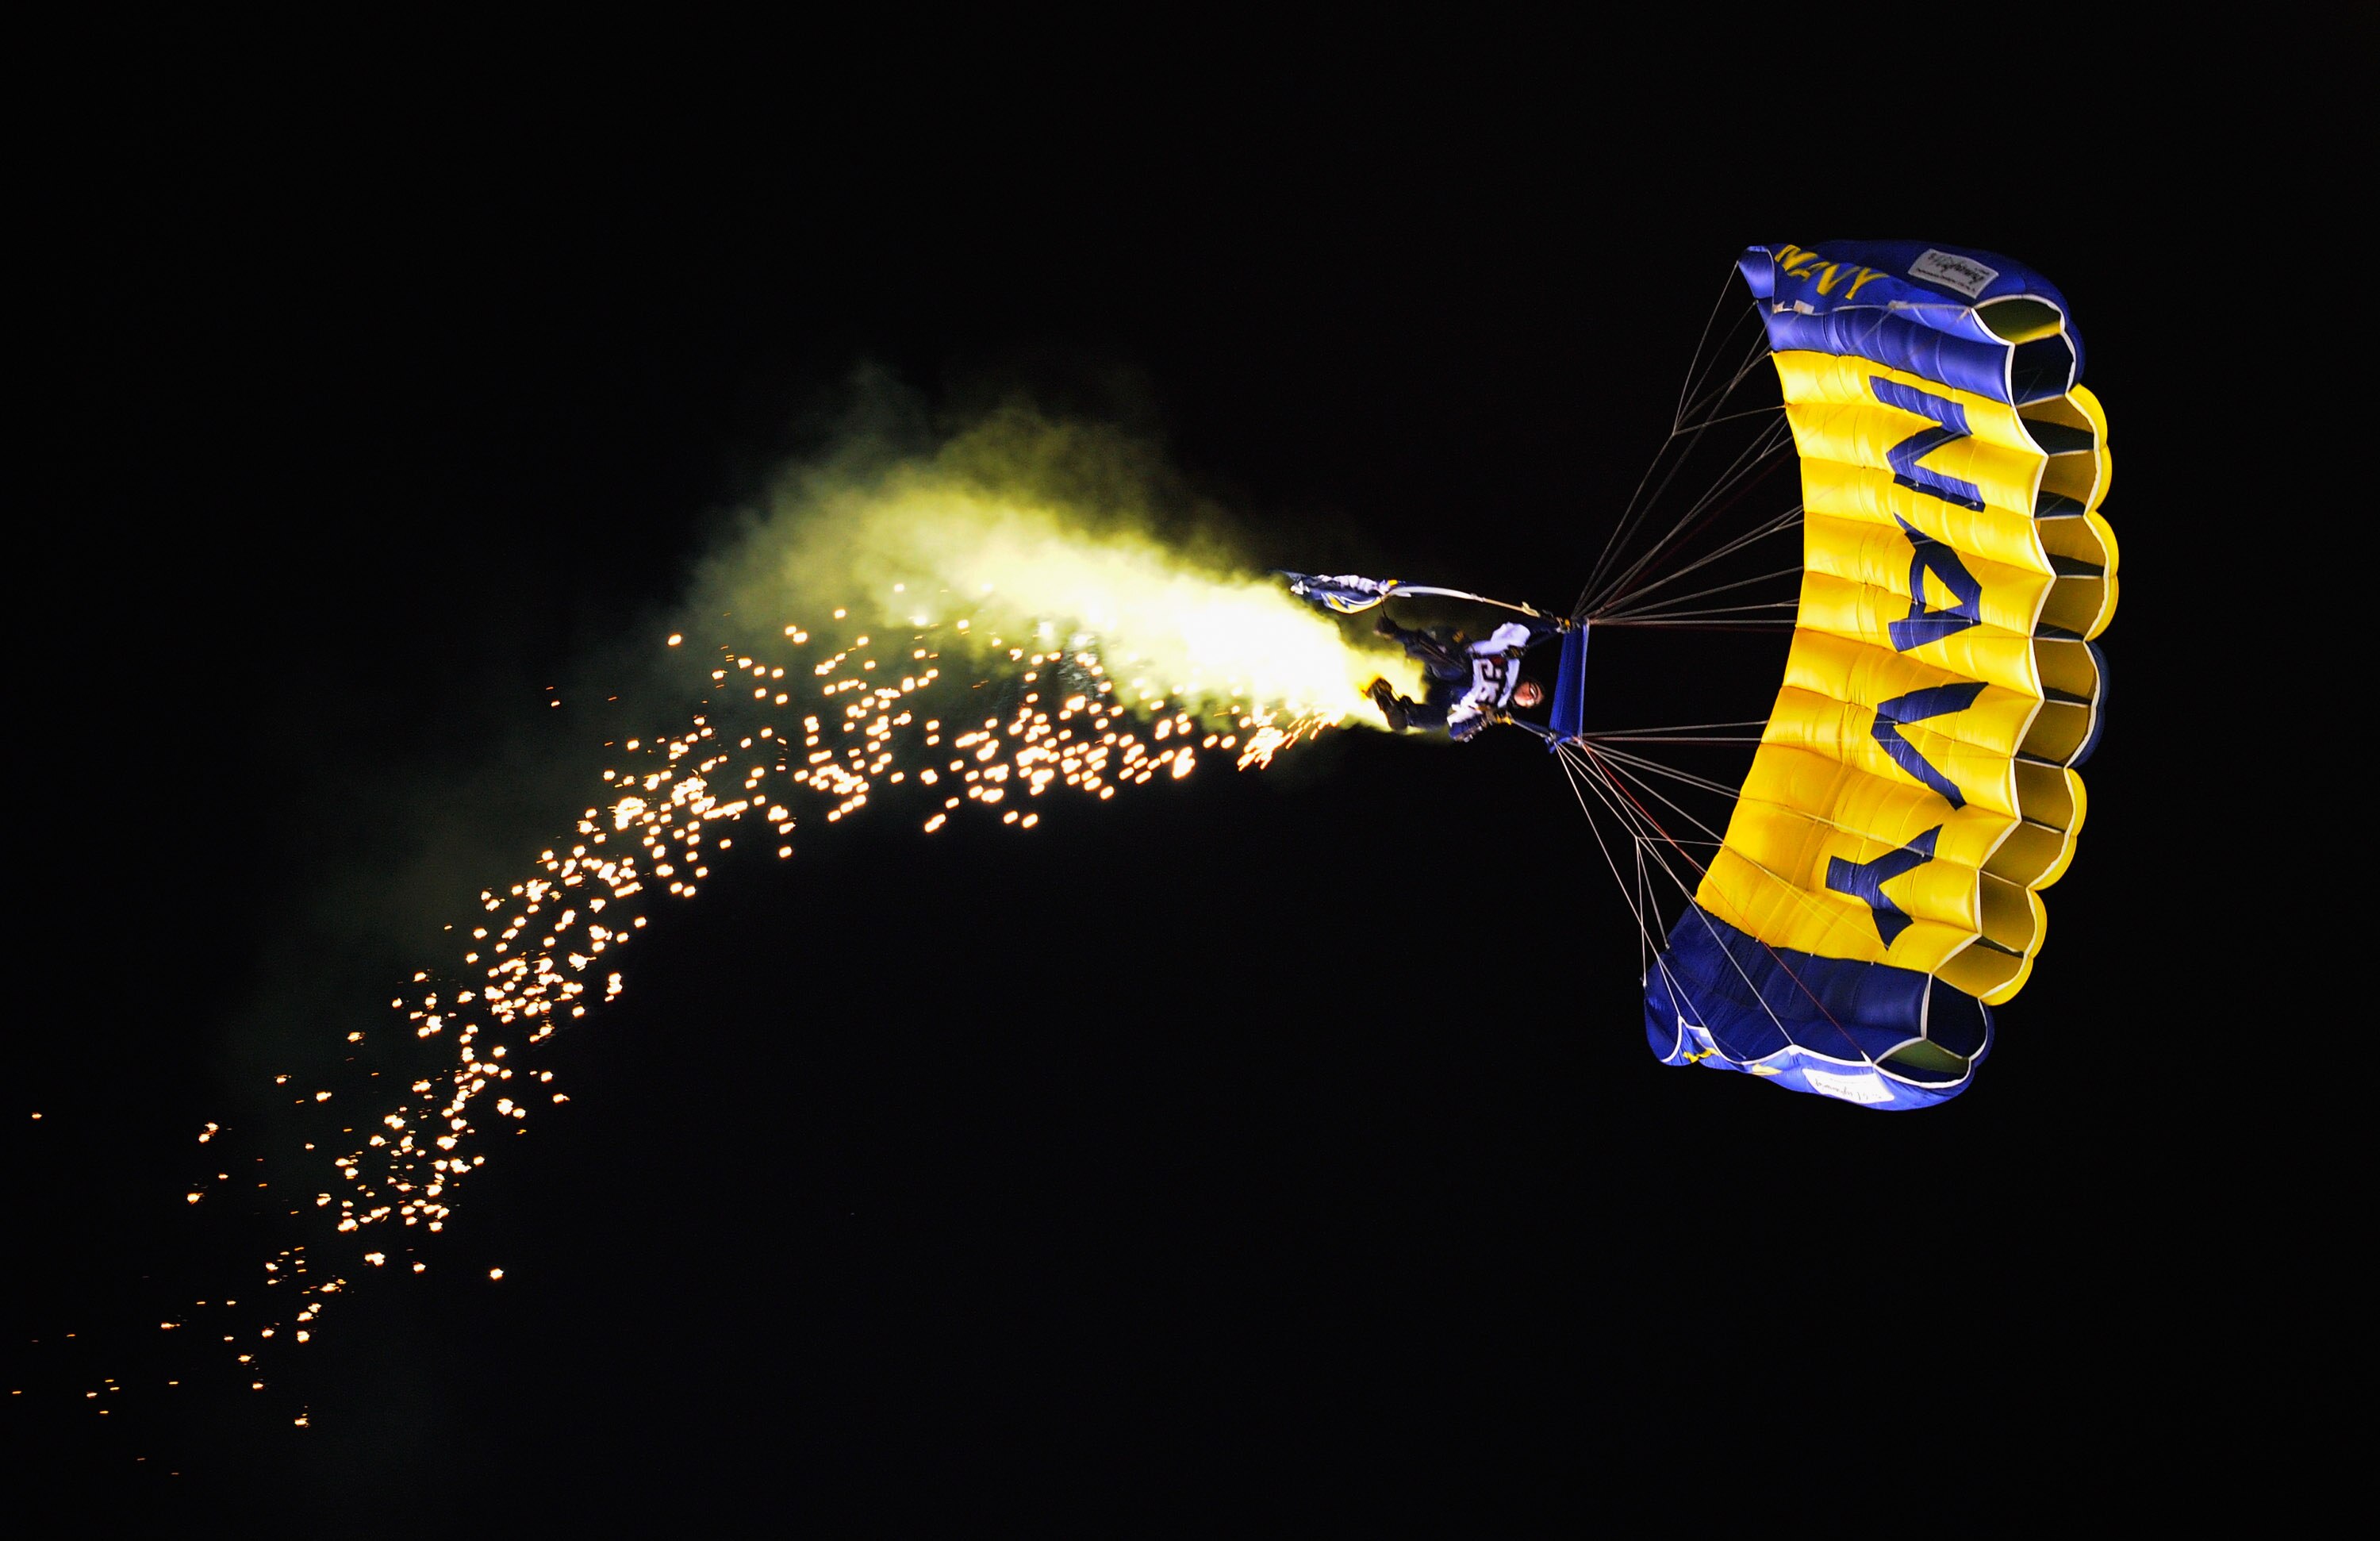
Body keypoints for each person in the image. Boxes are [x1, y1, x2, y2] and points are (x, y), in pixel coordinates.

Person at [1366, 609, 1557, 740]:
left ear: (1523, 706)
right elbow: (1526, 626)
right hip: (1455, 660)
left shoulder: (1495, 707)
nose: (1529, 696)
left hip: (1446, 693)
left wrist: (1483, 720)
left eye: (1531, 701)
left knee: (1437, 721)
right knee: (1458, 669)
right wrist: (1553, 625)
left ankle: (1391, 705)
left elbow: (1455, 732)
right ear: (1527, 681)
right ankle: (1396, 632)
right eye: (1532, 690)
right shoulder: (1513, 661)